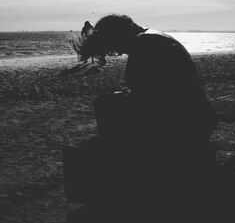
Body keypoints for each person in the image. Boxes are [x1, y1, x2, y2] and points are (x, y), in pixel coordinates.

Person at [65, 14, 218, 221]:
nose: (116, 52)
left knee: (104, 104)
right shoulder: (154, 37)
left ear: (118, 35)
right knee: (111, 104)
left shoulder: (143, 44)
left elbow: (144, 97)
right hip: (197, 117)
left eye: (112, 45)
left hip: (186, 123)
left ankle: (117, 156)